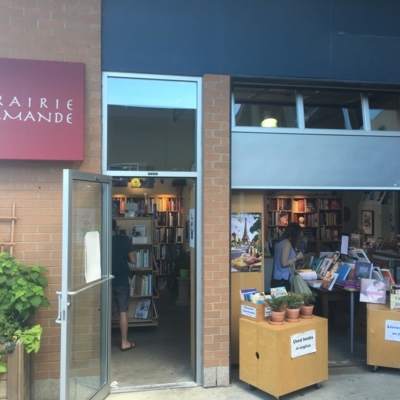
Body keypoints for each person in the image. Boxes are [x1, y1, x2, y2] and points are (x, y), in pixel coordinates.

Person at [112, 219, 137, 351]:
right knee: (123, 312)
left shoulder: (100, 240)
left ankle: (99, 343)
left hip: (106, 282)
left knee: (103, 312)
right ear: (116, 227)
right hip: (121, 281)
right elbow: (133, 260)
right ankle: (124, 342)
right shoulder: (125, 240)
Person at [271, 222, 304, 291]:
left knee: (278, 301)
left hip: (276, 278)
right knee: (284, 301)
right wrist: (297, 257)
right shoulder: (287, 244)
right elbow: (284, 263)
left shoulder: (279, 243)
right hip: (283, 280)